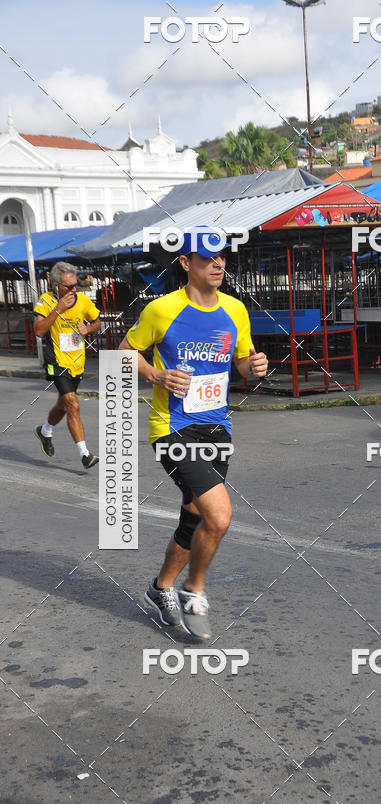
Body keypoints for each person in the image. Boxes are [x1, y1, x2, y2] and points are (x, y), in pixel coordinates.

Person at [119, 232, 268, 639]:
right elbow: (124, 352)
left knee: (196, 515)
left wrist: (253, 367)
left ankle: (160, 586)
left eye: (221, 257)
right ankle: (194, 590)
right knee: (219, 517)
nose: (218, 265)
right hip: (173, 428)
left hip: (217, 427)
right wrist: (156, 374)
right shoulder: (161, 309)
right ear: (186, 263)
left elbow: (241, 364)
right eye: (207, 259)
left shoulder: (236, 310)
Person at [33, 261, 101, 469]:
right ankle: (85, 454)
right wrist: (58, 309)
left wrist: (88, 330)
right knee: (73, 404)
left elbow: (98, 321)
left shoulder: (82, 302)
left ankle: (44, 431)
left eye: (75, 286)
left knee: (64, 405)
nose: (73, 290)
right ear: (55, 285)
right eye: (68, 287)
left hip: (77, 364)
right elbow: (39, 331)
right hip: (56, 362)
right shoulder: (45, 302)